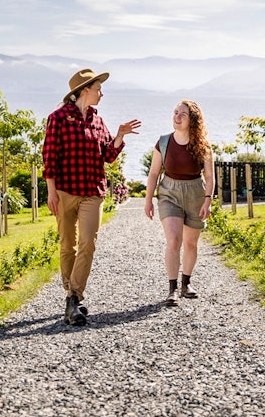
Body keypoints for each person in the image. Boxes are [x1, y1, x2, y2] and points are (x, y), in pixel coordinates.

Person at [42, 68, 141, 326]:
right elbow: (49, 158)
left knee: (88, 243)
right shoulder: (59, 118)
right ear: (84, 90)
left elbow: (108, 155)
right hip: (64, 190)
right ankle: (70, 294)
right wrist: (51, 191)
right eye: (98, 89)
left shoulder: (97, 120)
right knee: (67, 245)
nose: (102, 93)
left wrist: (119, 136)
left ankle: (73, 297)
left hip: (92, 193)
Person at [144, 99, 215, 306]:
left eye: (183, 114)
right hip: (169, 193)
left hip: (195, 193)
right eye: (175, 112)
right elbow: (154, 173)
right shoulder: (163, 142)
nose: (177, 117)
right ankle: (172, 289)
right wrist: (148, 200)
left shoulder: (203, 146)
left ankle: (186, 283)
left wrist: (208, 201)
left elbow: (210, 177)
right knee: (174, 241)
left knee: (191, 243)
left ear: (192, 120)